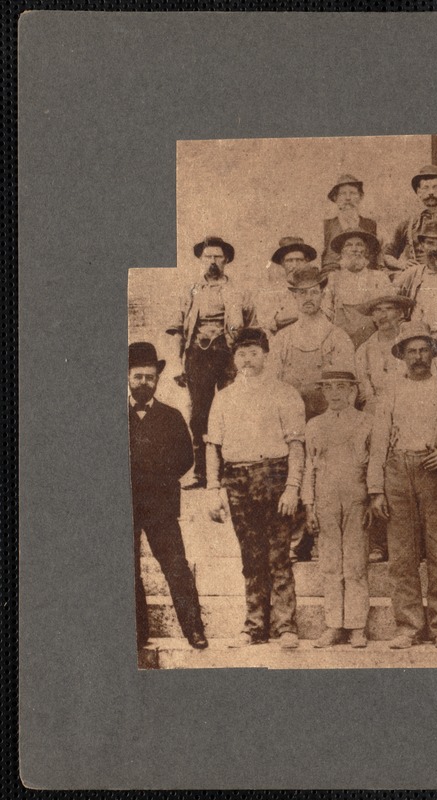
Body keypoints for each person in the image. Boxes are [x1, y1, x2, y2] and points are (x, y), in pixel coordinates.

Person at [204, 328, 306, 649]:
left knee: (278, 553)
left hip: (274, 474)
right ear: (234, 359)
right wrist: (211, 488)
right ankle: (254, 625)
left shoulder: (284, 393)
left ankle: (286, 625)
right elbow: (213, 446)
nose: (248, 359)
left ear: (266, 355)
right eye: (242, 353)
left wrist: (292, 487)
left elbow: (296, 445)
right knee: (251, 554)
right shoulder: (224, 397)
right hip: (236, 478)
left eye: (254, 352)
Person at [368, 321, 437, 650]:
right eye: (411, 351)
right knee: (402, 555)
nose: (418, 357)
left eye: (424, 350)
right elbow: (378, 442)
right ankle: (407, 625)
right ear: (402, 356)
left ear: (434, 352)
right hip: (397, 469)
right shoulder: (390, 391)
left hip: (434, 470)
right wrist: (376, 489)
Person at [129, 341, 207, 651]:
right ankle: (137, 634)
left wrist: (155, 472)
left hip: (161, 506)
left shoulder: (171, 416)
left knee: (177, 567)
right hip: (127, 506)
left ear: (158, 379)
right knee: (129, 569)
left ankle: (195, 631)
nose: (144, 383)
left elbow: (186, 458)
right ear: (128, 378)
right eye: (138, 377)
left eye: (149, 377)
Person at [168, 235, 255, 488]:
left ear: (226, 260)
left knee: (232, 410)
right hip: (197, 357)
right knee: (199, 415)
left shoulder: (238, 291)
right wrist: (176, 364)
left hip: (229, 357)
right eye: (208, 257)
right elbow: (177, 329)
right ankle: (201, 472)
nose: (212, 261)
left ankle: (231, 470)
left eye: (217, 256)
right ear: (200, 260)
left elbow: (251, 326)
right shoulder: (190, 290)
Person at [302, 370, 372, 649]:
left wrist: (371, 499)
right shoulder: (315, 425)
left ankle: (356, 627)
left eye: (341, 387)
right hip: (326, 499)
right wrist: (309, 505)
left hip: (357, 498)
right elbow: (310, 467)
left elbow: (373, 466)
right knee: (330, 564)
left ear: (353, 390)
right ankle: (333, 625)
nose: (335, 393)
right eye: (329, 387)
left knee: (355, 563)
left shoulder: (367, 422)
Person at [269, 265, 357, 421]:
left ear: (322, 296)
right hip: (289, 416)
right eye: (302, 293)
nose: (308, 298)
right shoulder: (282, 338)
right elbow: (271, 383)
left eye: (313, 292)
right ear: (294, 297)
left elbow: (348, 388)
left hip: (328, 418)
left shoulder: (337, 336)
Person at [382, 164, 437, 271]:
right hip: (416, 280)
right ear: (419, 192)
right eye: (426, 188)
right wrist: (401, 264)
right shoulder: (407, 224)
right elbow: (387, 255)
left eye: (435, 187)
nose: (431, 192)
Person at [353, 291, 417, 417]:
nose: (383, 315)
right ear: (372, 316)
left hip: (410, 405)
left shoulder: (413, 344)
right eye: (378, 310)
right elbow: (365, 390)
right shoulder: (364, 350)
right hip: (377, 409)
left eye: (389, 309)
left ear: (401, 313)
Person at [327, 230, 392, 348]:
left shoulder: (380, 277)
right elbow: (326, 312)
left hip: (373, 341)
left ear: (366, 252)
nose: (354, 249)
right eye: (349, 245)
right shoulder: (333, 279)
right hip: (340, 342)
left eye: (359, 245)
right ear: (342, 252)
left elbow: (389, 311)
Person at [256, 237, 317, 336]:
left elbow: (327, 314)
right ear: (282, 263)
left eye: (299, 260)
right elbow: (269, 322)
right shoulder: (272, 291)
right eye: (289, 261)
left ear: (307, 261)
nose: (295, 265)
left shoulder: (317, 287)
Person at [321, 174, 379, 271]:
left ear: (360, 197)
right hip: (332, 278)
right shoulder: (325, 226)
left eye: (352, 193)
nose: (348, 198)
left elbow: (380, 257)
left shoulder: (371, 225)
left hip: (366, 279)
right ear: (335, 198)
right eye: (342, 194)